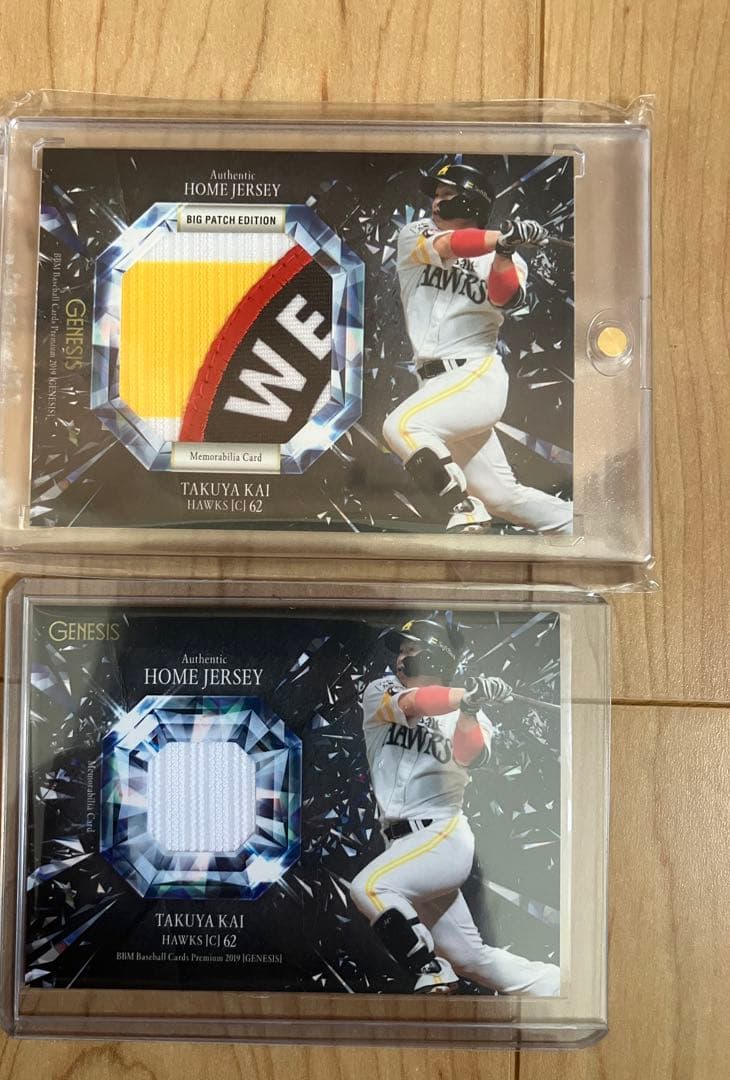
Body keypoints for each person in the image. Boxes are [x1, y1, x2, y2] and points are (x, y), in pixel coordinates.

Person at [350, 614, 560, 995]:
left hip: (443, 836)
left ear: (434, 656)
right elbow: (415, 702)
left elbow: (469, 755)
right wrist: (465, 695)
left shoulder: (472, 714)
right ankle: (558, 984)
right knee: (471, 959)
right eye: (400, 651)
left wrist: (470, 708)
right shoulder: (382, 690)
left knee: (370, 887)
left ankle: (430, 970)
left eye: (410, 650)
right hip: (401, 847)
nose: (400, 658)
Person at [383, 163, 572, 533]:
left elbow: (504, 298)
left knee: (402, 426)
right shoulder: (416, 233)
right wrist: (503, 237)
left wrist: (504, 252)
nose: (436, 202)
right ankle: (577, 524)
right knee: (502, 497)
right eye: (436, 195)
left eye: (446, 195)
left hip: (475, 374)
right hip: (435, 384)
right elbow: (449, 245)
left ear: (471, 201)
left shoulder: (509, 259)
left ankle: (461, 506)